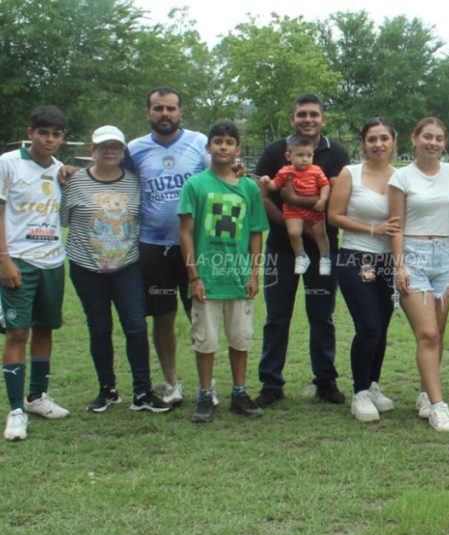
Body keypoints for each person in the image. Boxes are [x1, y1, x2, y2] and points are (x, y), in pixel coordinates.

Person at [62, 126, 170, 414]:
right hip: (87, 267)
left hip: (127, 266)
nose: (110, 152)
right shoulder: (75, 182)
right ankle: (107, 390)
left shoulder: (135, 182)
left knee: (135, 327)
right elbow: (64, 219)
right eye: (103, 146)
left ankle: (143, 392)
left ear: (123, 151)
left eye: (115, 147)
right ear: (92, 148)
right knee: (99, 329)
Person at [254, 94, 350, 408]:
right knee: (276, 317)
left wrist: (293, 200)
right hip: (281, 248)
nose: (307, 119)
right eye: (301, 115)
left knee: (322, 316)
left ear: (323, 119)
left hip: (324, 249)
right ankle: (271, 383)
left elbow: (336, 197)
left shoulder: (336, 153)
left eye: (314, 114)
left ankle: (325, 382)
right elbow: (263, 195)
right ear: (292, 118)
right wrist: (287, 219)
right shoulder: (273, 151)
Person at [178, 121, 269, 423]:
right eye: (217, 141)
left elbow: (256, 232)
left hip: (238, 278)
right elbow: (186, 232)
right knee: (205, 340)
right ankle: (205, 394)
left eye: (229, 142)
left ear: (238, 149)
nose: (223, 147)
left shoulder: (248, 188)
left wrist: (253, 274)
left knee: (240, 339)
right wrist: (194, 276)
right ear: (208, 147)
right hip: (207, 278)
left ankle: (239, 393)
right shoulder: (195, 185)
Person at [126, 87, 209, 405]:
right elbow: (112, 178)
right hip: (153, 246)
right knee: (162, 316)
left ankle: (207, 383)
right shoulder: (133, 150)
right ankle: (171, 382)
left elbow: (222, 174)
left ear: (180, 112)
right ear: (148, 112)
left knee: (199, 313)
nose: (165, 114)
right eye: (158, 108)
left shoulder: (200, 143)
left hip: (194, 246)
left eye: (170, 108)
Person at [1, 106, 71, 441]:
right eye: (43, 133)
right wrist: (4, 259)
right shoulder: (8, 163)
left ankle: (37, 396)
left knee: (45, 328)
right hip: (19, 260)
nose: (49, 140)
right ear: (30, 133)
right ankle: (15, 409)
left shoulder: (60, 170)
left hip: (53, 261)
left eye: (56, 134)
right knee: (17, 332)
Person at [389, 117, 449, 433]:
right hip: (413, 256)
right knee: (428, 332)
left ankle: (424, 393)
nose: (433, 142)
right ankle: (439, 406)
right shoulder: (401, 177)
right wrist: (400, 265)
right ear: (414, 139)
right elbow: (396, 225)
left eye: (439, 138)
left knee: (439, 331)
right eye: (427, 136)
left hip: (444, 256)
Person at [327, 118, 401, 423]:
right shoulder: (350, 173)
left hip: (389, 260)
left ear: (394, 141)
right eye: (372, 139)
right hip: (356, 257)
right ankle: (359, 392)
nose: (378, 144)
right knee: (368, 326)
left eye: (384, 138)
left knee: (381, 327)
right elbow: (334, 216)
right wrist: (373, 228)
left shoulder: (402, 176)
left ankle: (372, 385)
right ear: (363, 143)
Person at [259, 136, 331, 275]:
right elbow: (275, 186)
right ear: (288, 156)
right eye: (300, 155)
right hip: (293, 210)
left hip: (314, 210)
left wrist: (322, 199)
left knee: (320, 234)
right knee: (293, 232)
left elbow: (325, 185)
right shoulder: (285, 172)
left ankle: (325, 258)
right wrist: (267, 181)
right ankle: (301, 256)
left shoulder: (316, 170)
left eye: (309, 155)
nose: (305, 159)